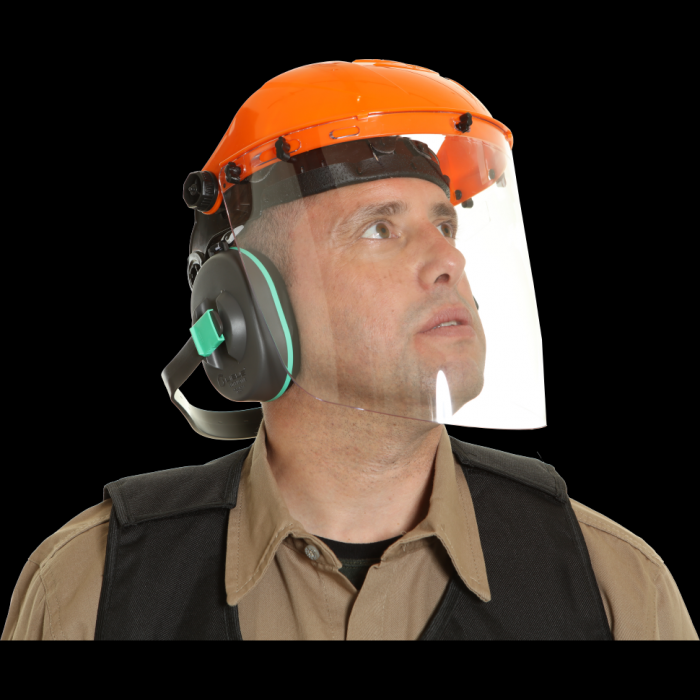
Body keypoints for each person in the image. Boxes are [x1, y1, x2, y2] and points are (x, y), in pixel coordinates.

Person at [3, 59, 696, 640]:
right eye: (378, 230)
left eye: (445, 225)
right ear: (245, 311)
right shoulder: (95, 589)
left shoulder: (610, 588)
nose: (448, 261)